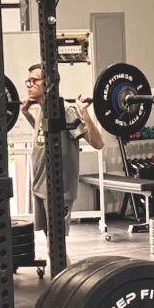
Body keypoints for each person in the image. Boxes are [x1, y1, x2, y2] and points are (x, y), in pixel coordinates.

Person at [23, 62, 104, 234]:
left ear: (48, 83)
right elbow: (43, 136)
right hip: (39, 187)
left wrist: (84, 113)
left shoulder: (66, 111)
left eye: (34, 80)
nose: (29, 85)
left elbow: (98, 143)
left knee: (55, 242)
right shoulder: (42, 111)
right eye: (28, 81)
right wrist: (26, 113)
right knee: (49, 241)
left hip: (59, 190)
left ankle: (65, 263)